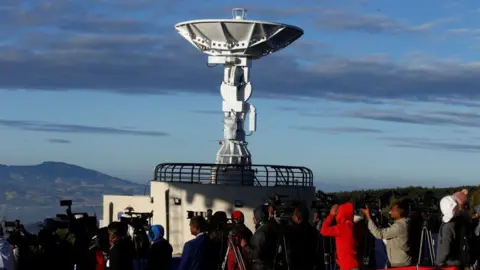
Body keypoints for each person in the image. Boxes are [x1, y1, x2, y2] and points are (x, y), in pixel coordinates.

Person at [361, 200, 412, 267]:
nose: (390, 212)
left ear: (400, 211)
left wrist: (368, 217)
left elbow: (378, 234)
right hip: (403, 261)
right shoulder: (406, 222)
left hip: (399, 264)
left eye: (393, 209)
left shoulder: (399, 226)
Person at [320, 202, 360, 270]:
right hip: (353, 264)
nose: (336, 215)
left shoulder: (341, 228)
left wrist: (331, 215)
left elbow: (323, 231)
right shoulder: (351, 225)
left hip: (347, 266)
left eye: (338, 212)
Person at [436, 195, 471, 268]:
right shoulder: (461, 221)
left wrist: (439, 262)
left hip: (450, 264)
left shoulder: (447, 227)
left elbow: (445, 249)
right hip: (461, 261)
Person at [241, 205, 277, 270]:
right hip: (268, 265)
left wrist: (245, 246)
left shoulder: (260, 233)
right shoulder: (269, 227)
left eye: (254, 216)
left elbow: (255, 256)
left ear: (258, 217)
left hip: (260, 267)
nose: (253, 218)